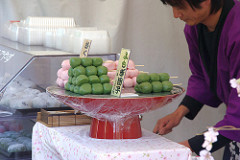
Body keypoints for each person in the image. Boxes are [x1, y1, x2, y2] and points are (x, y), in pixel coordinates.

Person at [153, 0, 240, 159]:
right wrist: (179, 112)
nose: (176, 14)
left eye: (180, 7)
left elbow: (238, 117)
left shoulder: (237, 30)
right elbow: (202, 76)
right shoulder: (194, 28)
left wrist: (184, 148)